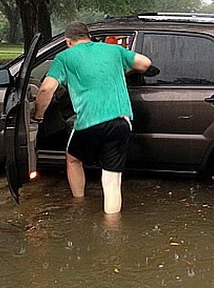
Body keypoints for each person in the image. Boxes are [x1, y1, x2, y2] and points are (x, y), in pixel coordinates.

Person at [32, 21, 152, 214]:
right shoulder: (114, 51)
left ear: (68, 41)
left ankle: (79, 204)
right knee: (112, 181)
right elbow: (145, 63)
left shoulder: (64, 57)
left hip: (89, 122)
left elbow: (46, 89)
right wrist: (122, 71)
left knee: (73, 159)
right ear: (88, 36)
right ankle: (112, 229)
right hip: (121, 121)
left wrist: (38, 115)